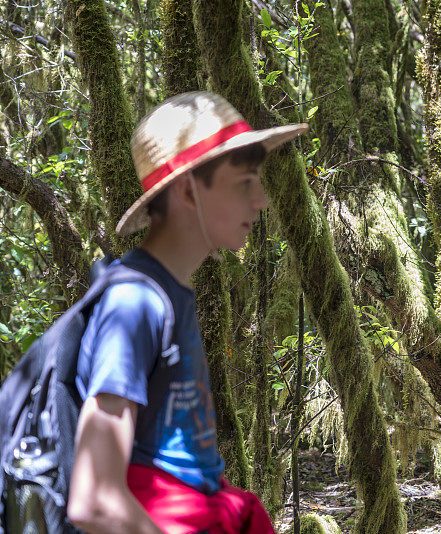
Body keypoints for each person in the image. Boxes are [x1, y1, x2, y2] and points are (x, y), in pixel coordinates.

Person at [66, 91, 307, 534]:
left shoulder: (173, 293)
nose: (262, 201)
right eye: (244, 183)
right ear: (187, 189)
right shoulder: (135, 302)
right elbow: (94, 499)